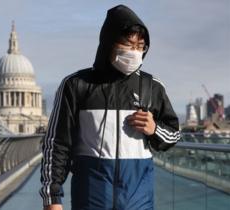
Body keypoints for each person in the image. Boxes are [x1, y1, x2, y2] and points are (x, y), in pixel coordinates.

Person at [39, 4, 181, 210]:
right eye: (128, 44)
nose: (135, 52)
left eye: (140, 46)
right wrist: (51, 198)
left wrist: (154, 129)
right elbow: (57, 144)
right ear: (109, 42)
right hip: (90, 199)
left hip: (139, 201)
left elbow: (174, 135)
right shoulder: (76, 84)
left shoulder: (152, 86)